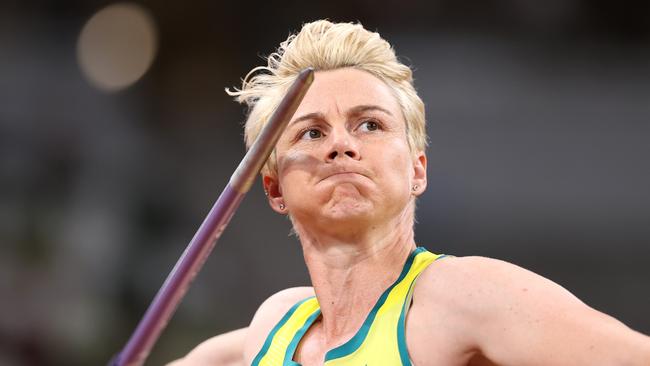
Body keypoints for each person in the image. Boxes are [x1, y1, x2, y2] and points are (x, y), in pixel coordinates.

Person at [169, 20, 650, 366]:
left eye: (370, 124)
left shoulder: (457, 297)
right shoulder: (274, 326)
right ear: (273, 188)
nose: (341, 145)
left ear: (417, 170)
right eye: (311, 133)